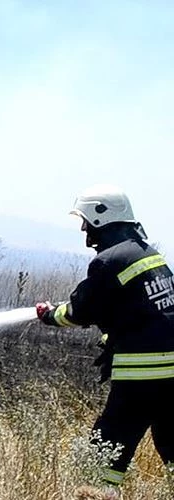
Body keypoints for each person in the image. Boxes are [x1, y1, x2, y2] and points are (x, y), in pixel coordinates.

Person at [36, 184, 174, 496]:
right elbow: (139, 309)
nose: (86, 234)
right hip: (171, 374)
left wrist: (48, 314)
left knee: (105, 451)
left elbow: (80, 311)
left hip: (140, 376)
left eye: (87, 223)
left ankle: (97, 493)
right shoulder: (149, 255)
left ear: (102, 218)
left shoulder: (109, 261)